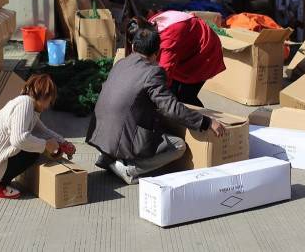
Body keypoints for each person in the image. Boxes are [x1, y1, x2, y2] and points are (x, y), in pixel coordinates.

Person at [86, 22, 225, 185]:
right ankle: (130, 169)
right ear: (157, 52)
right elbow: (171, 108)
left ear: (133, 46)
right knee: (178, 146)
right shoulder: (153, 72)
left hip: (100, 135)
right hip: (122, 138)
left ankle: (109, 157)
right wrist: (206, 122)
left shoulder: (121, 63)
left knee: (149, 123)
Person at [0, 74, 76, 199]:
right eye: (49, 101)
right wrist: (46, 145)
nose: (48, 106)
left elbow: (42, 131)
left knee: (34, 144)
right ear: (44, 96)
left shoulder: (26, 106)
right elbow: (19, 139)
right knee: (31, 153)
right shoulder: (25, 104)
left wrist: (63, 143)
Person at [148, 11, 226, 106]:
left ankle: (205, 119)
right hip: (184, 51)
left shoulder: (168, 39)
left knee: (185, 98)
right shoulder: (148, 27)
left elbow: (165, 74)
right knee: (173, 93)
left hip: (204, 53)